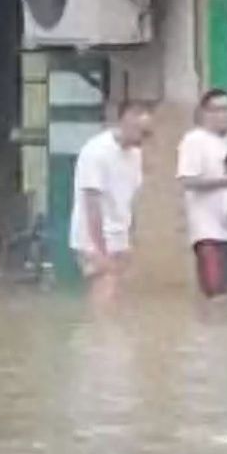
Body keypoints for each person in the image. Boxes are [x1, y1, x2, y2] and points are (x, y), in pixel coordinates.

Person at [70, 101, 152, 304]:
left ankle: (100, 335)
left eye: (147, 134)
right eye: (141, 132)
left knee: (118, 300)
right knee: (104, 296)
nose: (144, 139)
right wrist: (100, 251)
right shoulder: (97, 151)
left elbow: (131, 201)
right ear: (126, 120)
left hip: (120, 238)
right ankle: (95, 333)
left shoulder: (136, 154)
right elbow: (91, 204)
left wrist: (130, 240)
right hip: (92, 239)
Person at [177, 89, 227, 301]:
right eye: (220, 109)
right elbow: (187, 181)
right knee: (216, 294)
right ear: (205, 113)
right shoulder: (194, 141)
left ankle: (223, 333)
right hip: (207, 231)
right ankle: (211, 333)